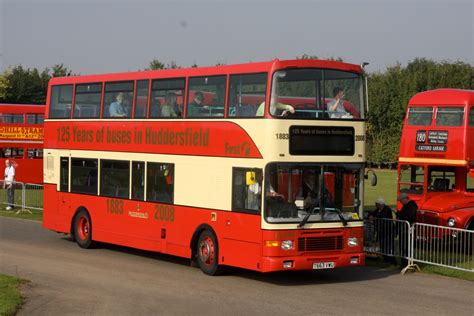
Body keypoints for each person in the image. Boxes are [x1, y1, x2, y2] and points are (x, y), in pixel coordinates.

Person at [370, 197, 396, 264]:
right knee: (382, 245)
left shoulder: (387, 209)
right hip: (381, 230)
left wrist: (376, 217)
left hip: (388, 230)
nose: (376, 205)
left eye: (376, 204)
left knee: (389, 245)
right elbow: (372, 213)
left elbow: (384, 216)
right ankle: (386, 259)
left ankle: (392, 260)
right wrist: (371, 215)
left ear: (380, 204)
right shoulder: (378, 209)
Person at [396, 192, 418, 268]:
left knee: (406, 246)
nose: (400, 202)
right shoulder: (406, 206)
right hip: (404, 228)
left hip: (407, 229)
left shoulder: (411, 206)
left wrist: (398, 213)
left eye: (401, 201)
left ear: (405, 199)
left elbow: (408, 216)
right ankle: (404, 262)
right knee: (402, 246)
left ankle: (406, 263)